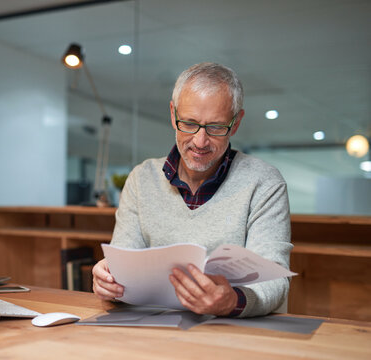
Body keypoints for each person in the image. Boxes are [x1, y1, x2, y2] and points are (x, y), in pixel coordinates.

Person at [92, 62, 292, 318]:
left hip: (235, 336)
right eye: (189, 123)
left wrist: (233, 301)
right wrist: (109, 281)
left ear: (236, 122)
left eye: (216, 127)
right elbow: (122, 268)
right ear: (173, 114)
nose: (200, 141)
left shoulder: (264, 182)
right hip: (154, 332)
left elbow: (275, 281)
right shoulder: (142, 179)